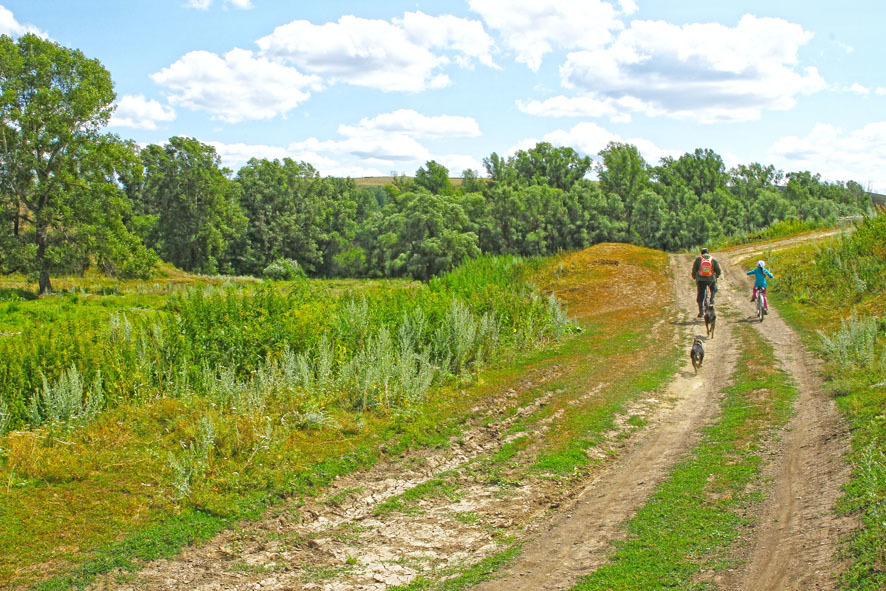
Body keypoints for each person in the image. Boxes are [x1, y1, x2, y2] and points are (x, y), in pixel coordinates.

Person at [691, 247, 721, 317]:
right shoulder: (713, 259)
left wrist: (694, 276)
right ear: (708, 252)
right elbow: (718, 270)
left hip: (701, 280)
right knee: (713, 288)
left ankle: (701, 312)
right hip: (711, 279)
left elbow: (694, 269)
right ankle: (712, 297)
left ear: (701, 253)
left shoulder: (698, 259)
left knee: (701, 295)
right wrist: (717, 276)